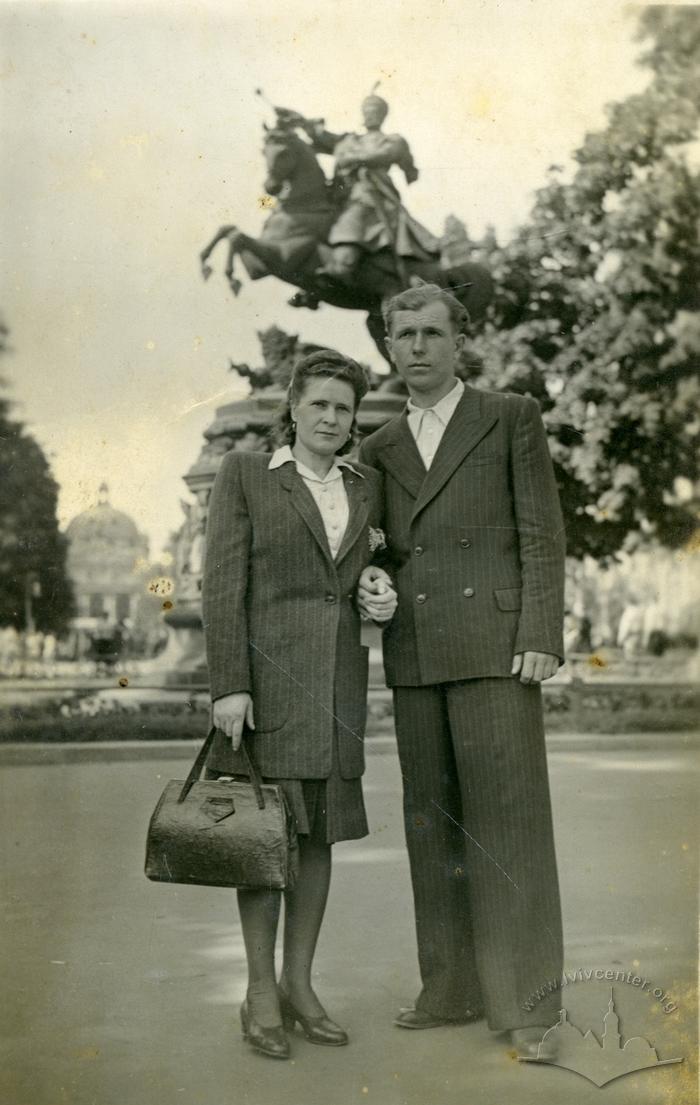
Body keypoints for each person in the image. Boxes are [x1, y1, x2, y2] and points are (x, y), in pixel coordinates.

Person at [357, 283, 565, 1059]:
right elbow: (375, 549)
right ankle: (451, 986)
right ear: (387, 346)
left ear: (459, 340)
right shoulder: (377, 446)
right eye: (401, 334)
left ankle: (529, 1007)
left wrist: (541, 631)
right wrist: (370, 583)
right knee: (431, 823)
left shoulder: (510, 416)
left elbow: (542, 534)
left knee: (507, 826)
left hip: (497, 648)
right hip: (417, 652)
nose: (416, 346)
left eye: (431, 333)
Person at [202, 350, 396, 1060]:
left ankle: (300, 985)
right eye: (318, 403)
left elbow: (377, 562)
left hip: (340, 683)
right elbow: (220, 585)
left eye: (343, 408)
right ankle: (259, 992)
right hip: (268, 686)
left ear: (353, 422)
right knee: (265, 837)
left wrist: (379, 584)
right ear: (293, 406)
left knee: (318, 839)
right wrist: (230, 682)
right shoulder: (248, 475)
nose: (330, 418)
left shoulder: (364, 485)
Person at [280, 94, 437, 284]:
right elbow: (323, 136)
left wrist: (354, 158)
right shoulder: (348, 140)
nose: (371, 116)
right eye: (367, 112)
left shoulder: (392, 140)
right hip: (338, 193)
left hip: (370, 193)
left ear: (383, 116)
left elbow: (386, 154)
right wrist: (301, 121)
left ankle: (343, 266)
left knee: (353, 215)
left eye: (375, 112)